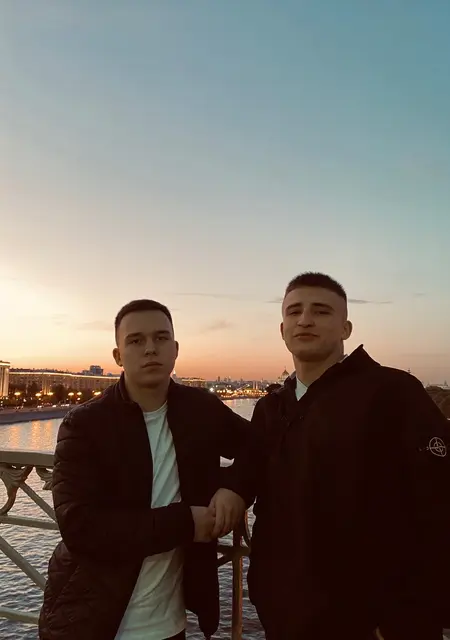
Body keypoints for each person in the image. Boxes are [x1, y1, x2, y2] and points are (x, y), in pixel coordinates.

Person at [247, 272, 450, 640]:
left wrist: (408, 614)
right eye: (294, 311)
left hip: (375, 622)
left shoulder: (393, 393)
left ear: (346, 328)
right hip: (285, 617)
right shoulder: (271, 408)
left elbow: (438, 502)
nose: (305, 320)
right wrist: (230, 491)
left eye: (321, 311)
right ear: (282, 329)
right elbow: (249, 469)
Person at [39, 299, 252, 640]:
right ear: (118, 356)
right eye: (136, 340)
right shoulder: (85, 424)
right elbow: (80, 526)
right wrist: (185, 523)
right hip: (92, 619)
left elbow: (258, 448)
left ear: (175, 349)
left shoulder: (201, 410)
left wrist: (235, 488)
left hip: (170, 624)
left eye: (161, 338)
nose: (150, 348)